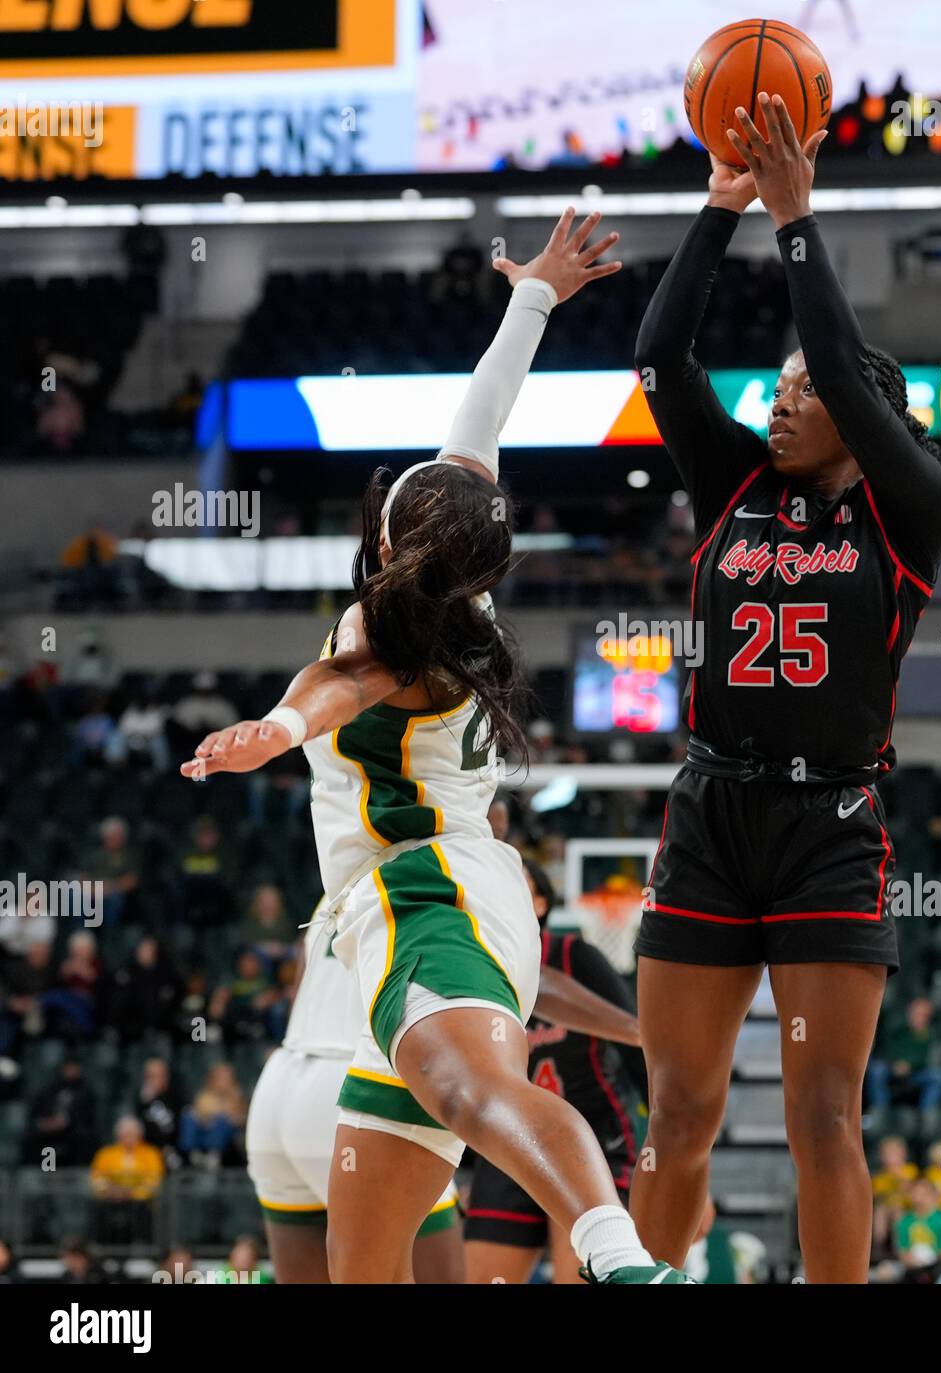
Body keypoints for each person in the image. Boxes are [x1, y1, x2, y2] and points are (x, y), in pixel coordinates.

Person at [183, 210, 688, 1286]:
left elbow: (335, 686)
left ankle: (620, 1256)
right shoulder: (464, 580)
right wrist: (535, 296)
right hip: (416, 912)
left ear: (384, 539)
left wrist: (272, 728)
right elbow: (481, 418)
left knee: (475, 1094)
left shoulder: (390, 633)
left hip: (427, 892)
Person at [629, 91, 941, 1284]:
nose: (780, 394)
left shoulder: (907, 506)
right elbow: (660, 359)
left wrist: (800, 220)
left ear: (866, 415)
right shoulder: (731, 485)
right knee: (676, 1115)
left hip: (831, 826)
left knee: (825, 1115)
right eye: (776, 379)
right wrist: (720, 215)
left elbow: (847, 373)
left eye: (805, 386)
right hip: (712, 815)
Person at [247, 887, 644, 1283]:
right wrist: (637, 1030)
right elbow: (532, 980)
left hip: (280, 1085)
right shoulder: (445, 876)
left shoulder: (343, 879)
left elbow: (301, 984)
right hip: (352, 1081)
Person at [464, 859, 649, 1283]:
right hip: (508, 1143)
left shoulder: (575, 956)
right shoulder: (473, 969)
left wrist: (673, 1150)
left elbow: (637, 1043)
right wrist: (464, 1170)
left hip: (593, 1138)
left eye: (520, 884)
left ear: (541, 902)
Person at [89, 1116, 166, 1244]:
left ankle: (143, 1246)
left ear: (140, 1135)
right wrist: (110, 1192)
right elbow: (97, 1179)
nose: (128, 1139)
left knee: (143, 1212)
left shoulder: (151, 1154)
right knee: (97, 1210)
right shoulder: (105, 1154)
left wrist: (131, 1193)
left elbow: (154, 1181)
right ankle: (101, 1246)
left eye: (132, 1135)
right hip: (111, 1200)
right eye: (125, 1135)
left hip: (140, 1203)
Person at [866, 996, 941, 1108]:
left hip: (917, 1072)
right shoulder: (899, 1031)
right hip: (893, 1069)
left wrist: (910, 1066)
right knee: (877, 1070)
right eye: (916, 1013)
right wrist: (895, 1064)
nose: (918, 1017)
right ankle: (881, 1111)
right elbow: (886, 1050)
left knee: (939, 1076)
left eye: (923, 1015)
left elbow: (930, 1059)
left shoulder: (931, 1036)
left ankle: (926, 1116)